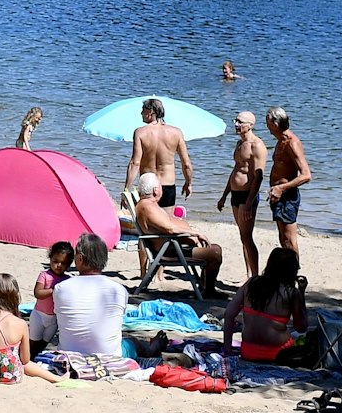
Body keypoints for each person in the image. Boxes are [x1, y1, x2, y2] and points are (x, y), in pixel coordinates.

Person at [133, 172, 224, 296]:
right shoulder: (147, 207)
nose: (161, 189)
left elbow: (167, 225)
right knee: (215, 252)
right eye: (160, 186)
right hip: (169, 251)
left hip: (170, 247)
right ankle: (208, 290)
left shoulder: (147, 205)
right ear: (155, 190)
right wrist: (195, 233)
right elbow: (170, 229)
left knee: (210, 249)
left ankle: (205, 286)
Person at [0, 274, 65, 384]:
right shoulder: (20, 324)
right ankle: (56, 378)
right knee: (25, 363)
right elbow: (25, 360)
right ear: (15, 297)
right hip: (12, 376)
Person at [222, 246, 309, 363]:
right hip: (278, 353)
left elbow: (229, 314)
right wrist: (301, 295)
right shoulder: (291, 293)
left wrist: (227, 348)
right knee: (300, 337)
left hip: (248, 351)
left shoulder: (251, 284)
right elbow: (301, 327)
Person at [51, 233, 127, 357]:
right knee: (131, 344)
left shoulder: (61, 288)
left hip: (70, 355)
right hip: (110, 356)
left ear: (80, 259)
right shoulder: (119, 290)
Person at [216, 110, 268, 278]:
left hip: (247, 196)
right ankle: (249, 274)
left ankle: (254, 276)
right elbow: (236, 170)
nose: (236, 125)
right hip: (235, 195)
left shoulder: (256, 145)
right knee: (243, 236)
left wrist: (249, 203)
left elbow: (258, 176)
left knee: (247, 237)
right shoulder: (239, 144)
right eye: (235, 121)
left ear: (250, 125)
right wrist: (224, 195)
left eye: (240, 122)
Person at [126, 98, 193, 207]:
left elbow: (135, 163)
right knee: (166, 221)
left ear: (150, 112)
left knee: (146, 222)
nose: (141, 113)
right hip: (167, 185)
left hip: (148, 185)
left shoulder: (140, 132)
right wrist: (188, 183)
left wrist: (127, 189)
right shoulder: (176, 132)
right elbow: (186, 164)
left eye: (143, 110)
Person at [265, 107, 311, 253]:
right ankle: (287, 272)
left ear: (276, 124)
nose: (267, 127)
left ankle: (294, 271)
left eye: (268, 124)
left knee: (289, 239)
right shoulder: (281, 141)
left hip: (288, 197)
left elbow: (306, 175)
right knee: (282, 238)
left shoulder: (292, 143)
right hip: (278, 196)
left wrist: (281, 188)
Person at [30, 241, 73, 347]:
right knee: (33, 341)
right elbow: (38, 293)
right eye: (55, 261)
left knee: (45, 343)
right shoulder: (44, 275)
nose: (59, 265)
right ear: (50, 258)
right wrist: (53, 290)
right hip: (39, 315)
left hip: (54, 318)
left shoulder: (67, 280)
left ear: (68, 264)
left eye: (63, 263)